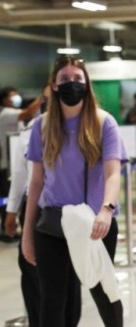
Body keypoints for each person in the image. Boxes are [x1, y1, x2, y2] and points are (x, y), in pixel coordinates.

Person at [21, 56, 128, 327]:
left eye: (77, 79)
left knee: (104, 293)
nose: (72, 84)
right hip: (52, 225)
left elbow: (113, 173)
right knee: (52, 300)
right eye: (64, 79)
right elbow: (36, 182)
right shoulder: (42, 126)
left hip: (96, 223)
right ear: (54, 86)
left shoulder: (104, 122)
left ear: (87, 83)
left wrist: (107, 209)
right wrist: (27, 234)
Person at [5, 85, 81, 327]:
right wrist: (11, 211)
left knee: (69, 275)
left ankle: (69, 321)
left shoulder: (79, 129)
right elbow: (20, 175)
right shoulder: (30, 131)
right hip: (34, 208)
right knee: (32, 271)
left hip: (68, 209)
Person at [0, 86, 42, 240]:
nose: (16, 97)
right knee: (7, 198)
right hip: (7, 165)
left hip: (13, 164)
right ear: (4, 100)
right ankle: (7, 229)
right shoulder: (6, 113)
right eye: (12, 96)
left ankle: (10, 227)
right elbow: (28, 112)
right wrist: (42, 97)